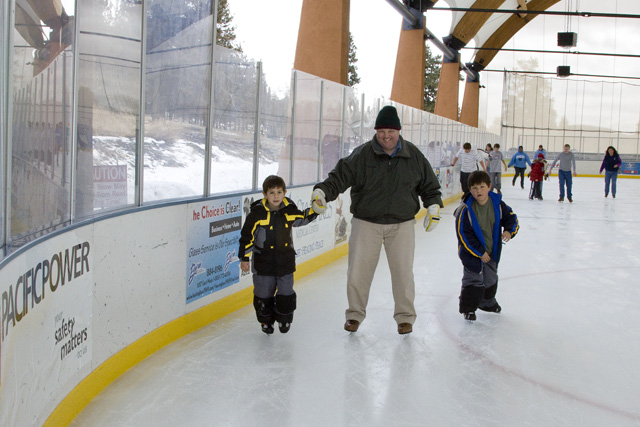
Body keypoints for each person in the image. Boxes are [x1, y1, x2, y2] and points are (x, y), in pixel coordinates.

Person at [310, 105, 443, 335]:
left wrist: (433, 205)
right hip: (366, 223)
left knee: (403, 273)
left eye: (391, 131)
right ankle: (354, 314)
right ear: (376, 131)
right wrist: (322, 192)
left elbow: (429, 185)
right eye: (381, 131)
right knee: (358, 273)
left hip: (401, 224)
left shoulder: (413, 156)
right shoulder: (362, 155)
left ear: (399, 131)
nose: (386, 136)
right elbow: (338, 177)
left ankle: (405, 317)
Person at [238, 175, 319, 335]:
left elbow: (302, 218)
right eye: (272, 192)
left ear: (285, 192)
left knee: (286, 293)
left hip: (285, 262)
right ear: (264, 194)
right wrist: (245, 257)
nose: (276, 196)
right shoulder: (257, 214)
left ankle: (284, 318)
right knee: (263, 295)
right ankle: (266, 321)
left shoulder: (289, 210)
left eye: (279, 192)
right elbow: (247, 236)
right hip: (263, 263)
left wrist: (315, 209)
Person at [453, 171, 519, 321]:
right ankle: (469, 309)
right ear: (470, 189)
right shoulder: (465, 210)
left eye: (482, 187)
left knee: (490, 279)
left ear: (489, 187)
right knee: (473, 280)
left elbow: (512, 219)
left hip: (491, 251)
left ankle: (487, 303)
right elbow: (464, 234)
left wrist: (509, 231)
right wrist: (479, 252)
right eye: (475, 188)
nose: (479, 191)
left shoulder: (498, 205)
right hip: (472, 253)